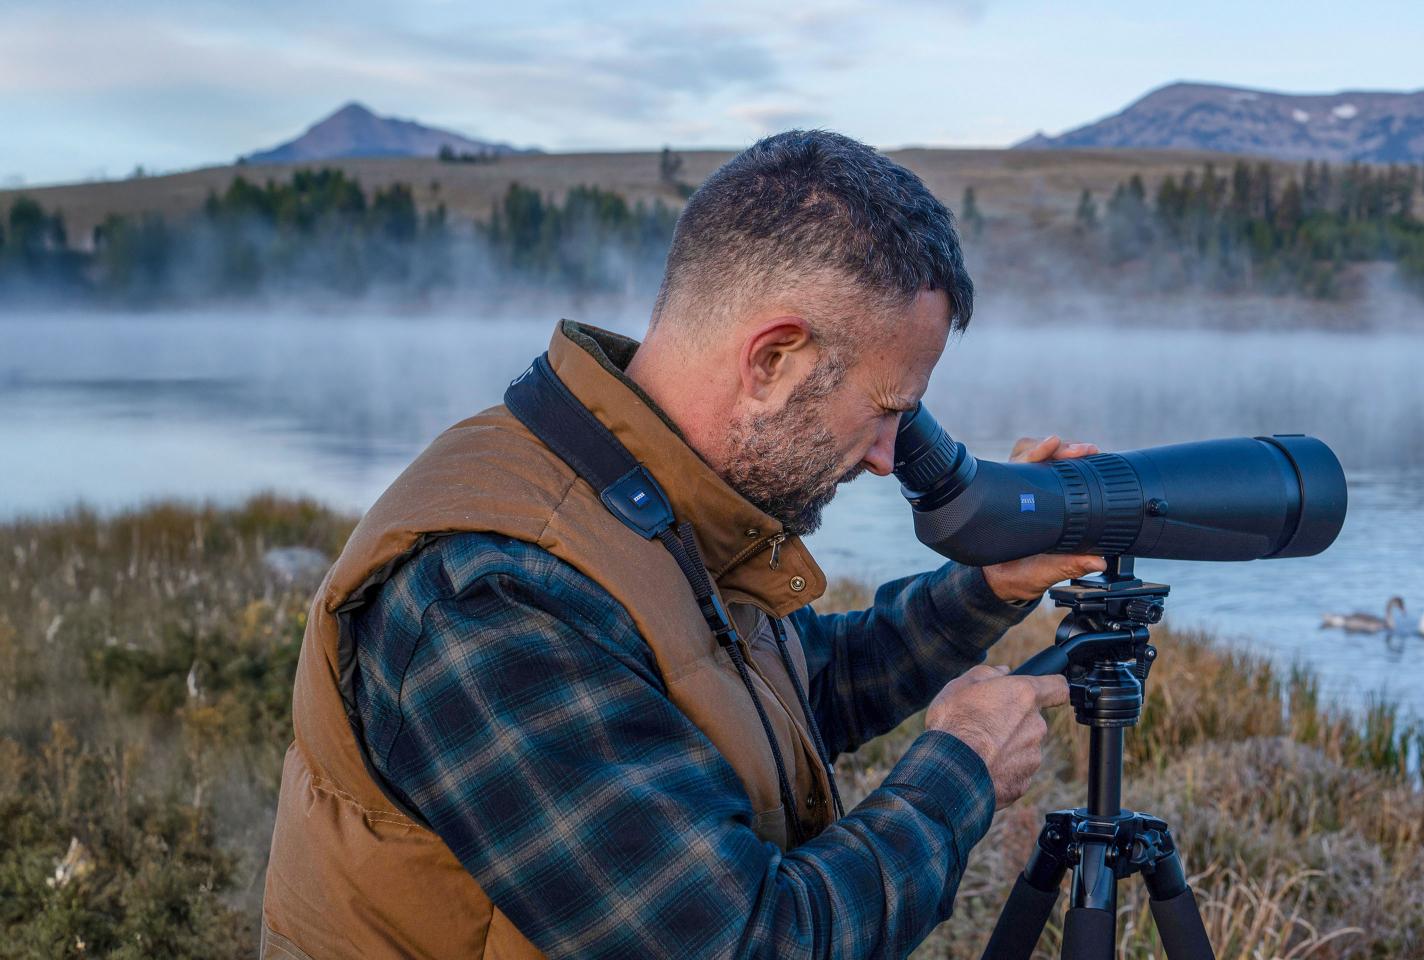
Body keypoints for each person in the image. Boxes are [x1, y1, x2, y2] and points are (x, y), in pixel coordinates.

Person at [259, 129, 1105, 959]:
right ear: (773, 359)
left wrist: (988, 587)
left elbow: (783, 690)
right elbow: (747, 939)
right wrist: (962, 769)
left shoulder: (642, 492)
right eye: (888, 409)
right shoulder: (493, 595)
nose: (889, 458)